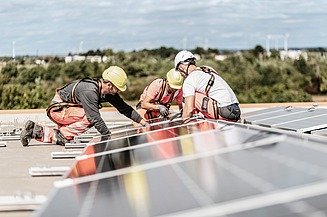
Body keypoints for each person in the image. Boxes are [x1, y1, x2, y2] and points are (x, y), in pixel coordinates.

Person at [20, 66, 147, 146]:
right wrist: (108, 137)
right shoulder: (90, 91)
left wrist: (143, 122)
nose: (118, 92)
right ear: (109, 85)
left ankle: (34, 130)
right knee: (89, 117)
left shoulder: (106, 92)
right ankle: (61, 135)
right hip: (58, 110)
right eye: (118, 89)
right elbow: (94, 118)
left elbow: (124, 108)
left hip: (68, 110)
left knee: (90, 116)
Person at [174, 50, 241, 122]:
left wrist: (183, 122)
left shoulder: (189, 80)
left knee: (189, 97)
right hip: (236, 111)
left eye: (178, 70)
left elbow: (189, 108)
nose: (181, 74)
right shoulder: (207, 70)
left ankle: (193, 123)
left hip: (224, 111)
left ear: (181, 66)